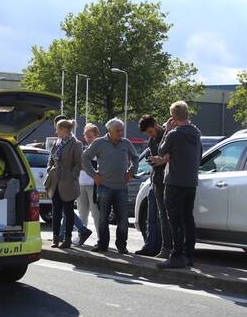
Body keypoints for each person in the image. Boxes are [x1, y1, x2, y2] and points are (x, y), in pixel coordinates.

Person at [151, 101, 202, 269]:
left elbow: (161, 151)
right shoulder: (196, 133)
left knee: (174, 220)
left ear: (173, 117)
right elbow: (199, 156)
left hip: (174, 181)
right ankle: (188, 255)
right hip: (190, 182)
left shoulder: (174, 134)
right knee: (188, 218)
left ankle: (176, 256)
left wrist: (166, 131)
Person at [82, 117, 139, 254]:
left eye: (122, 130)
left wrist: (131, 171)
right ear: (109, 130)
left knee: (123, 219)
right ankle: (102, 245)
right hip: (104, 186)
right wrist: (94, 175)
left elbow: (135, 158)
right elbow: (85, 157)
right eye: (117, 130)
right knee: (103, 218)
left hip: (121, 187)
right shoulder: (99, 143)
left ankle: (121, 246)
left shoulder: (126, 143)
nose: (121, 133)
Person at [136, 115, 173, 258]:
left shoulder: (168, 135)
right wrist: (151, 160)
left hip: (166, 180)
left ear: (155, 125)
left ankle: (166, 247)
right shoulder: (152, 140)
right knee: (151, 216)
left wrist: (160, 160)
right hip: (155, 179)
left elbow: (167, 155)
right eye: (147, 133)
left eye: (150, 132)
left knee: (164, 217)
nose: (150, 135)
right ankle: (150, 245)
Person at [45, 119, 83, 249]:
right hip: (55, 180)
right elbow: (51, 158)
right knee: (56, 211)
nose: (56, 131)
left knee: (68, 211)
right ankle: (55, 238)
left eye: (58, 129)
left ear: (65, 130)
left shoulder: (76, 144)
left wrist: (72, 175)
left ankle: (67, 239)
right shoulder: (57, 142)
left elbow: (79, 163)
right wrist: (49, 168)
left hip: (68, 182)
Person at [71, 123, 100, 246]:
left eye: (90, 136)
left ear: (96, 136)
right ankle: (81, 236)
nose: (87, 139)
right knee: (82, 212)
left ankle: (100, 238)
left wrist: (85, 166)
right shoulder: (84, 149)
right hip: (81, 183)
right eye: (86, 136)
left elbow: (96, 166)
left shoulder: (99, 149)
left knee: (96, 213)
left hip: (94, 185)